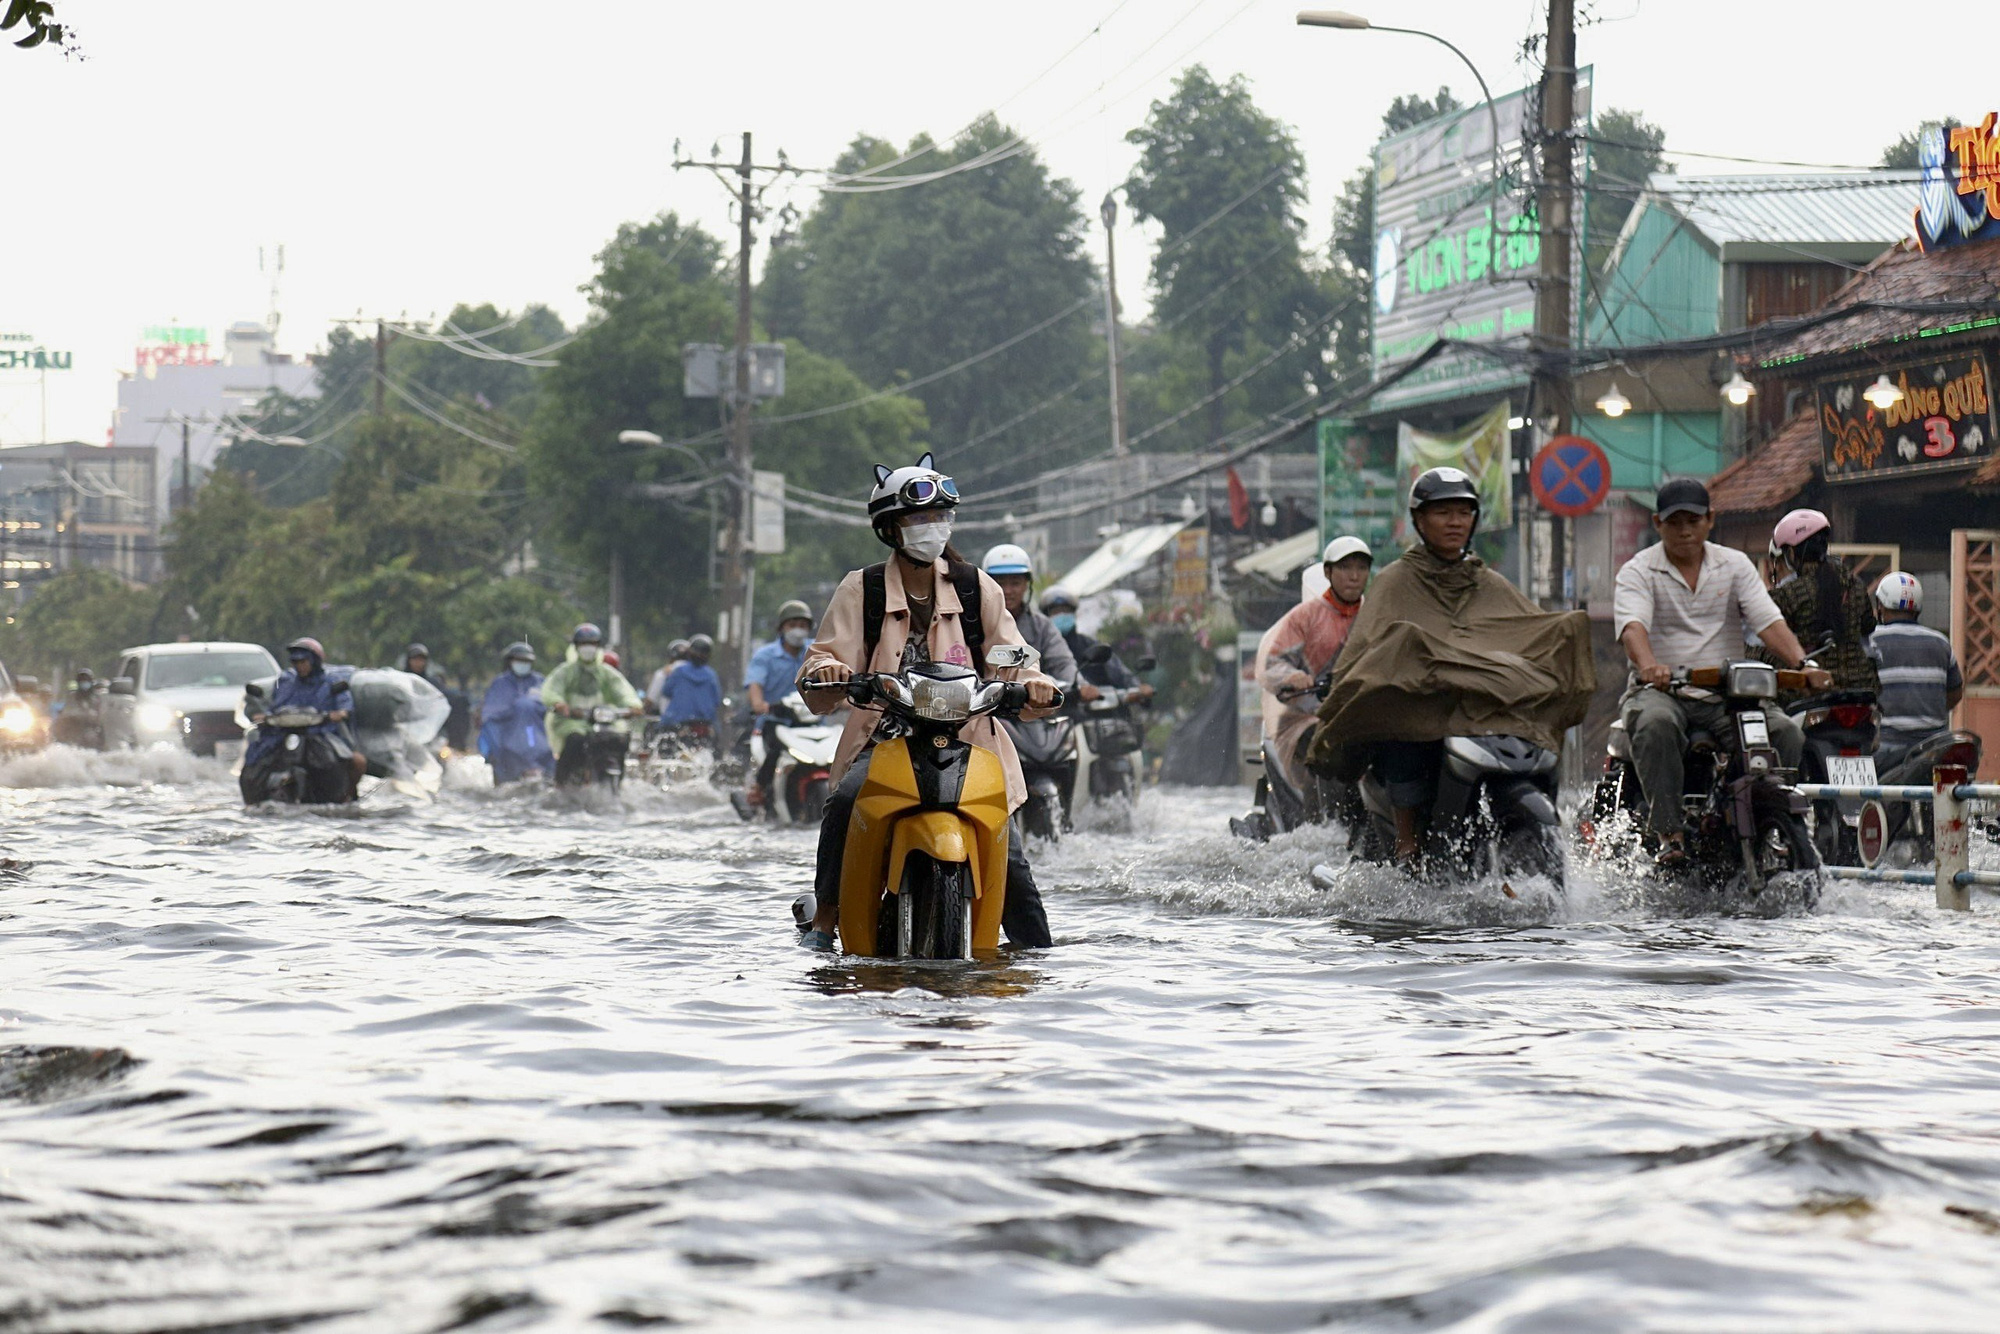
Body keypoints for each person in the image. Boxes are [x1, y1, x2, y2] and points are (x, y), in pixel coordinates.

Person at [796, 453, 1060, 951]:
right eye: (919, 518)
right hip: (883, 738)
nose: (932, 527)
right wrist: (825, 672)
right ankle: (825, 923)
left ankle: (1036, 958)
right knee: (845, 803)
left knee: (1014, 864)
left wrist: (1034, 680)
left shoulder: (974, 584)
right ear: (890, 528)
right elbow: (826, 656)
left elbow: (1012, 652)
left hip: (968, 743)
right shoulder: (863, 588)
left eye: (940, 516)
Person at [1310, 468, 1595, 865]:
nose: (1455, 522)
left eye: (1464, 512)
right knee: (1399, 721)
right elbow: (1369, 650)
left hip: (1480, 714)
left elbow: (1523, 633)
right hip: (1424, 709)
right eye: (1443, 512)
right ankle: (1407, 839)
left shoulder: (1489, 582)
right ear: (1419, 521)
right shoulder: (1394, 582)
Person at [1613, 478, 1830, 865]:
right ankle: (1670, 835)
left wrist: (1804, 664)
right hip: (1664, 692)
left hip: (1728, 695)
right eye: (1674, 521)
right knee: (1654, 724)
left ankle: (1769, 819)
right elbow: (1633, 627)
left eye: (1693, 520)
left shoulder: (1733, 565)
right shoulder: (1639, 571)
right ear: (1657, 523)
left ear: (1710, 520)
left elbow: (1767, 621)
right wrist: (1649, 667)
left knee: (1786, 733)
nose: (1684, 530)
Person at [1257, 536, 1372, 800]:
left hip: (1364, 712)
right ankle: (1326, 824)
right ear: (1328, 572)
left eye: (1361, 568)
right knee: (1328, 747)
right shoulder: (1305, 616)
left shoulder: (1375, 615)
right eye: (1345, 568)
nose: (1354, 576)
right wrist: (1294, 677)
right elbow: (1271, 664)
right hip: (1307, 717)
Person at [1761, 509, 1877, 694]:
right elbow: (1868, 627)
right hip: (1861, 688)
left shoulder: (1787, 594)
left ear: (1791, 553)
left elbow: (1769, 636)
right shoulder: (1855, 585)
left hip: (1811, 689)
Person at [241, 636, 366, 804]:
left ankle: (344, 798)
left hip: (321, 735)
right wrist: (265, 716)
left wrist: (339, 714)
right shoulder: (286, 682)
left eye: (303, 661)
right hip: (282, 735)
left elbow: (344, 706)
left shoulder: (331, 682)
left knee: (355, 762)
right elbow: (276, 705)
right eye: (295, 662)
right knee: (254, 764)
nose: (300, 666)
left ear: (314, 661)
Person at [1866, 572, 1964, 772]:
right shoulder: (1941, 643)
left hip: (1886, 747)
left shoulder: (1870, 641)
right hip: (1935, 746)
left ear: (1881, 605)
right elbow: (1955, 692)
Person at [540, 623, 643, 786]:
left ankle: (619, 783)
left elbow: (623, 690)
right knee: (575, 740)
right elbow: (551, 689)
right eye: (583, 644)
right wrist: (559, 703)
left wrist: (633, 706)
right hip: (572, 721)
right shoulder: (566, 671)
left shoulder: (606, 673)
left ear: (598, 646)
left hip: (605, 722)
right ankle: (562, 783)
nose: (588, 648)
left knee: (620, 740)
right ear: (576, 647)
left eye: (592, 644)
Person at [744, 601, 816, 808]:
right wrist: (759, 703)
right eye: (793, 624)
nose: (798, 630)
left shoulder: (817, 652)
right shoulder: (764, 656)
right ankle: (758, 790)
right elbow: (755, 684)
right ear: (782, 627)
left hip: (810, 723)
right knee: (775, 749)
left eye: (803, 625)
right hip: (776, 722)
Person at [981, 545, 1078, 692]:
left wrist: (1077, 686)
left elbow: (1063, 664)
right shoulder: (971, 623)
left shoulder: (1041, 626)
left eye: (1015, 583)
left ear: (1027, 585)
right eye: (1000, 583)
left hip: (1033, 709)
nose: (1007, 591)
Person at [1038, 586, 1155, 704]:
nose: (1061, 615)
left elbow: (1116, 670)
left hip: (1101, 711)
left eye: (1065, 610)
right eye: (1056, 612)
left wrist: (1136, 687)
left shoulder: (1089, 645)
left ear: (1074, 613)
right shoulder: (1040, 649)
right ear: (1046, 617)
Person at [478, 641, 555, 784]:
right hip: (507, 740)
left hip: (536, 737)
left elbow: (549, 708)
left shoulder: (540, 681)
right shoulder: (500, 683)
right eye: (519, 660)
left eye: (526, 661)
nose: (522, 664)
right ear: (510, 662)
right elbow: (490, 716)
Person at [659, 633, 722, 729]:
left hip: (677, 720)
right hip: (704, 722)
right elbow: (717, 700)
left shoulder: (679, 671)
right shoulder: (711, 675)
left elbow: (666, 691)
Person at [646, 639, 691, 715]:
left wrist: (644, 710)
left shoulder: (663, 673)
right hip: (696, 719)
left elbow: (651, 700)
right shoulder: (704, 673)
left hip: (669, 720)